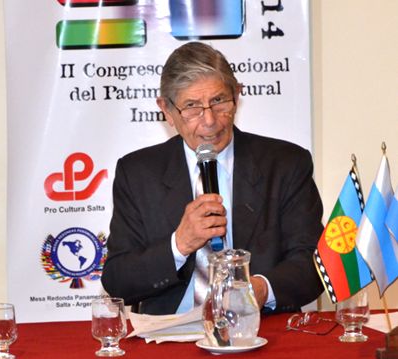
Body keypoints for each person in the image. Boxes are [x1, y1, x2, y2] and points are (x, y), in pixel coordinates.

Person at [101, 42, 324, 315]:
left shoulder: (286, 164)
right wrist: (179, 245)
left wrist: (261, 289)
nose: (209, 121)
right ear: (166, 110)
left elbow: (313, 263)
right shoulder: (137, 173)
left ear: (236, 96)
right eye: (192, 107)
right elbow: (118, 280)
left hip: (261, 327)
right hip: (171, 331)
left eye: (218, 101)